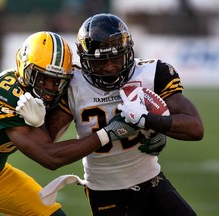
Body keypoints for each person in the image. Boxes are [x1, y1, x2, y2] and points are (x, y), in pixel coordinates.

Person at [0, 31, 136, 216]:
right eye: (42, 79)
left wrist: (150, 126)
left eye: (56, 81)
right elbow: (49, 157)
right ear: (25, 69)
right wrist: (108, 133)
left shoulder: (54, 86)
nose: (49, 88)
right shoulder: (3, 94)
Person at [41, 13, 204, 216]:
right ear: (84, 60)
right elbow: (47, 146)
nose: (109, 68)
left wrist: (153, 123)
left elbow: (195, 128)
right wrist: (38, 115)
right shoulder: (73, 84)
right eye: (100, 62)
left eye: (116, 59)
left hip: (152, 182)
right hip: (105, 192)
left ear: (129, 52)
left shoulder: (151, 73)